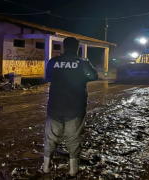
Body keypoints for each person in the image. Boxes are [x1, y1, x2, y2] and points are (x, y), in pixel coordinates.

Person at [42, 37, 98, 177]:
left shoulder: (53, 62)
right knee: (74, 139)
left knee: (51, 138)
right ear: (77, 48)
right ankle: (73, 171)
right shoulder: (82, 62)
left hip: (55, 105)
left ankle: (46, 167)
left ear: (63, 47)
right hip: (75, 106)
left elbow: (48, 77)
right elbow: (93, 76)